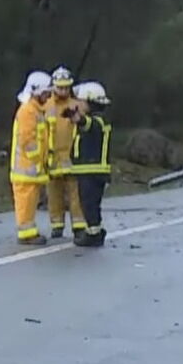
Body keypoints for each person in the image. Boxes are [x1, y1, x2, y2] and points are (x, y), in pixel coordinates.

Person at [67, 81, 113, 247]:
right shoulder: (97, 120)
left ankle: (93, 234)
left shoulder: (99, 121)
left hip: (92, 172)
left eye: (80, 102)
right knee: (89, 203)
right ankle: (95, 230)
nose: (77, 105)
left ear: (89, 102)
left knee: (89, 203)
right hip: (88, 171)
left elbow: (88, 125)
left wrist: (78, 119)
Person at [10, 71, 53, 245]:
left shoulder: (36, 110)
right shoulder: (28, 111)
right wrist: (37, 160)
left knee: (30, 202)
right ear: (37, 92)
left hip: (31, 168)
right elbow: (28, 140)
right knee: (25, 202)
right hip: (26, 168)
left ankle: (29, 230)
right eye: (46, 93)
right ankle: (26, 234)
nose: (48, 96)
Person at [44, 66, 87, 240]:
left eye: (66, 87)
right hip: (52, 157)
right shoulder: (46, 106)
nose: (63, 90)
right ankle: (57, 225)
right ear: (53, 86)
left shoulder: (77, 105)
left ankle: (78, 225)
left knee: (75, 193)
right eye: (59, 87)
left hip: (71, 155)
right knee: (54, 193)